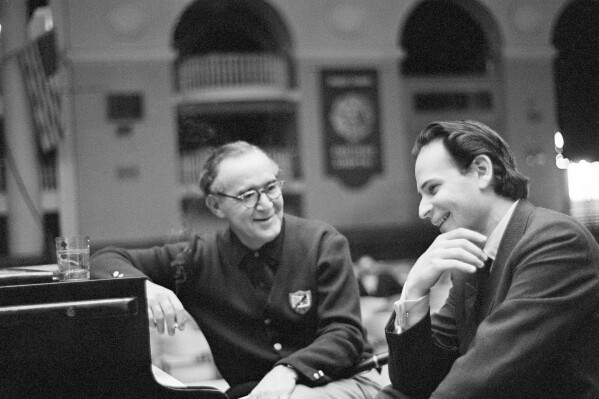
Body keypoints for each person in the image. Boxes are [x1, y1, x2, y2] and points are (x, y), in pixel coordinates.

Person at [91, 141, 380, 399]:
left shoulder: (323, 243)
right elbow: (104, 260)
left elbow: (346, 334)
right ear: (216, 206)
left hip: (350, 380)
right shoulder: (196, 258)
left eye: (270, 187)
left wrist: (288, 371)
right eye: (247, 196)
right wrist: (144, 286)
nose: (265, 204)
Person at [377, 120, 599, 399]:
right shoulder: (471, 261)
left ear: (482, 171)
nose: (422, 210)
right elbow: (415, 383)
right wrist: (413, 291)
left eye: (432, 189)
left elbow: (482, 380)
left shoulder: (557, 241)